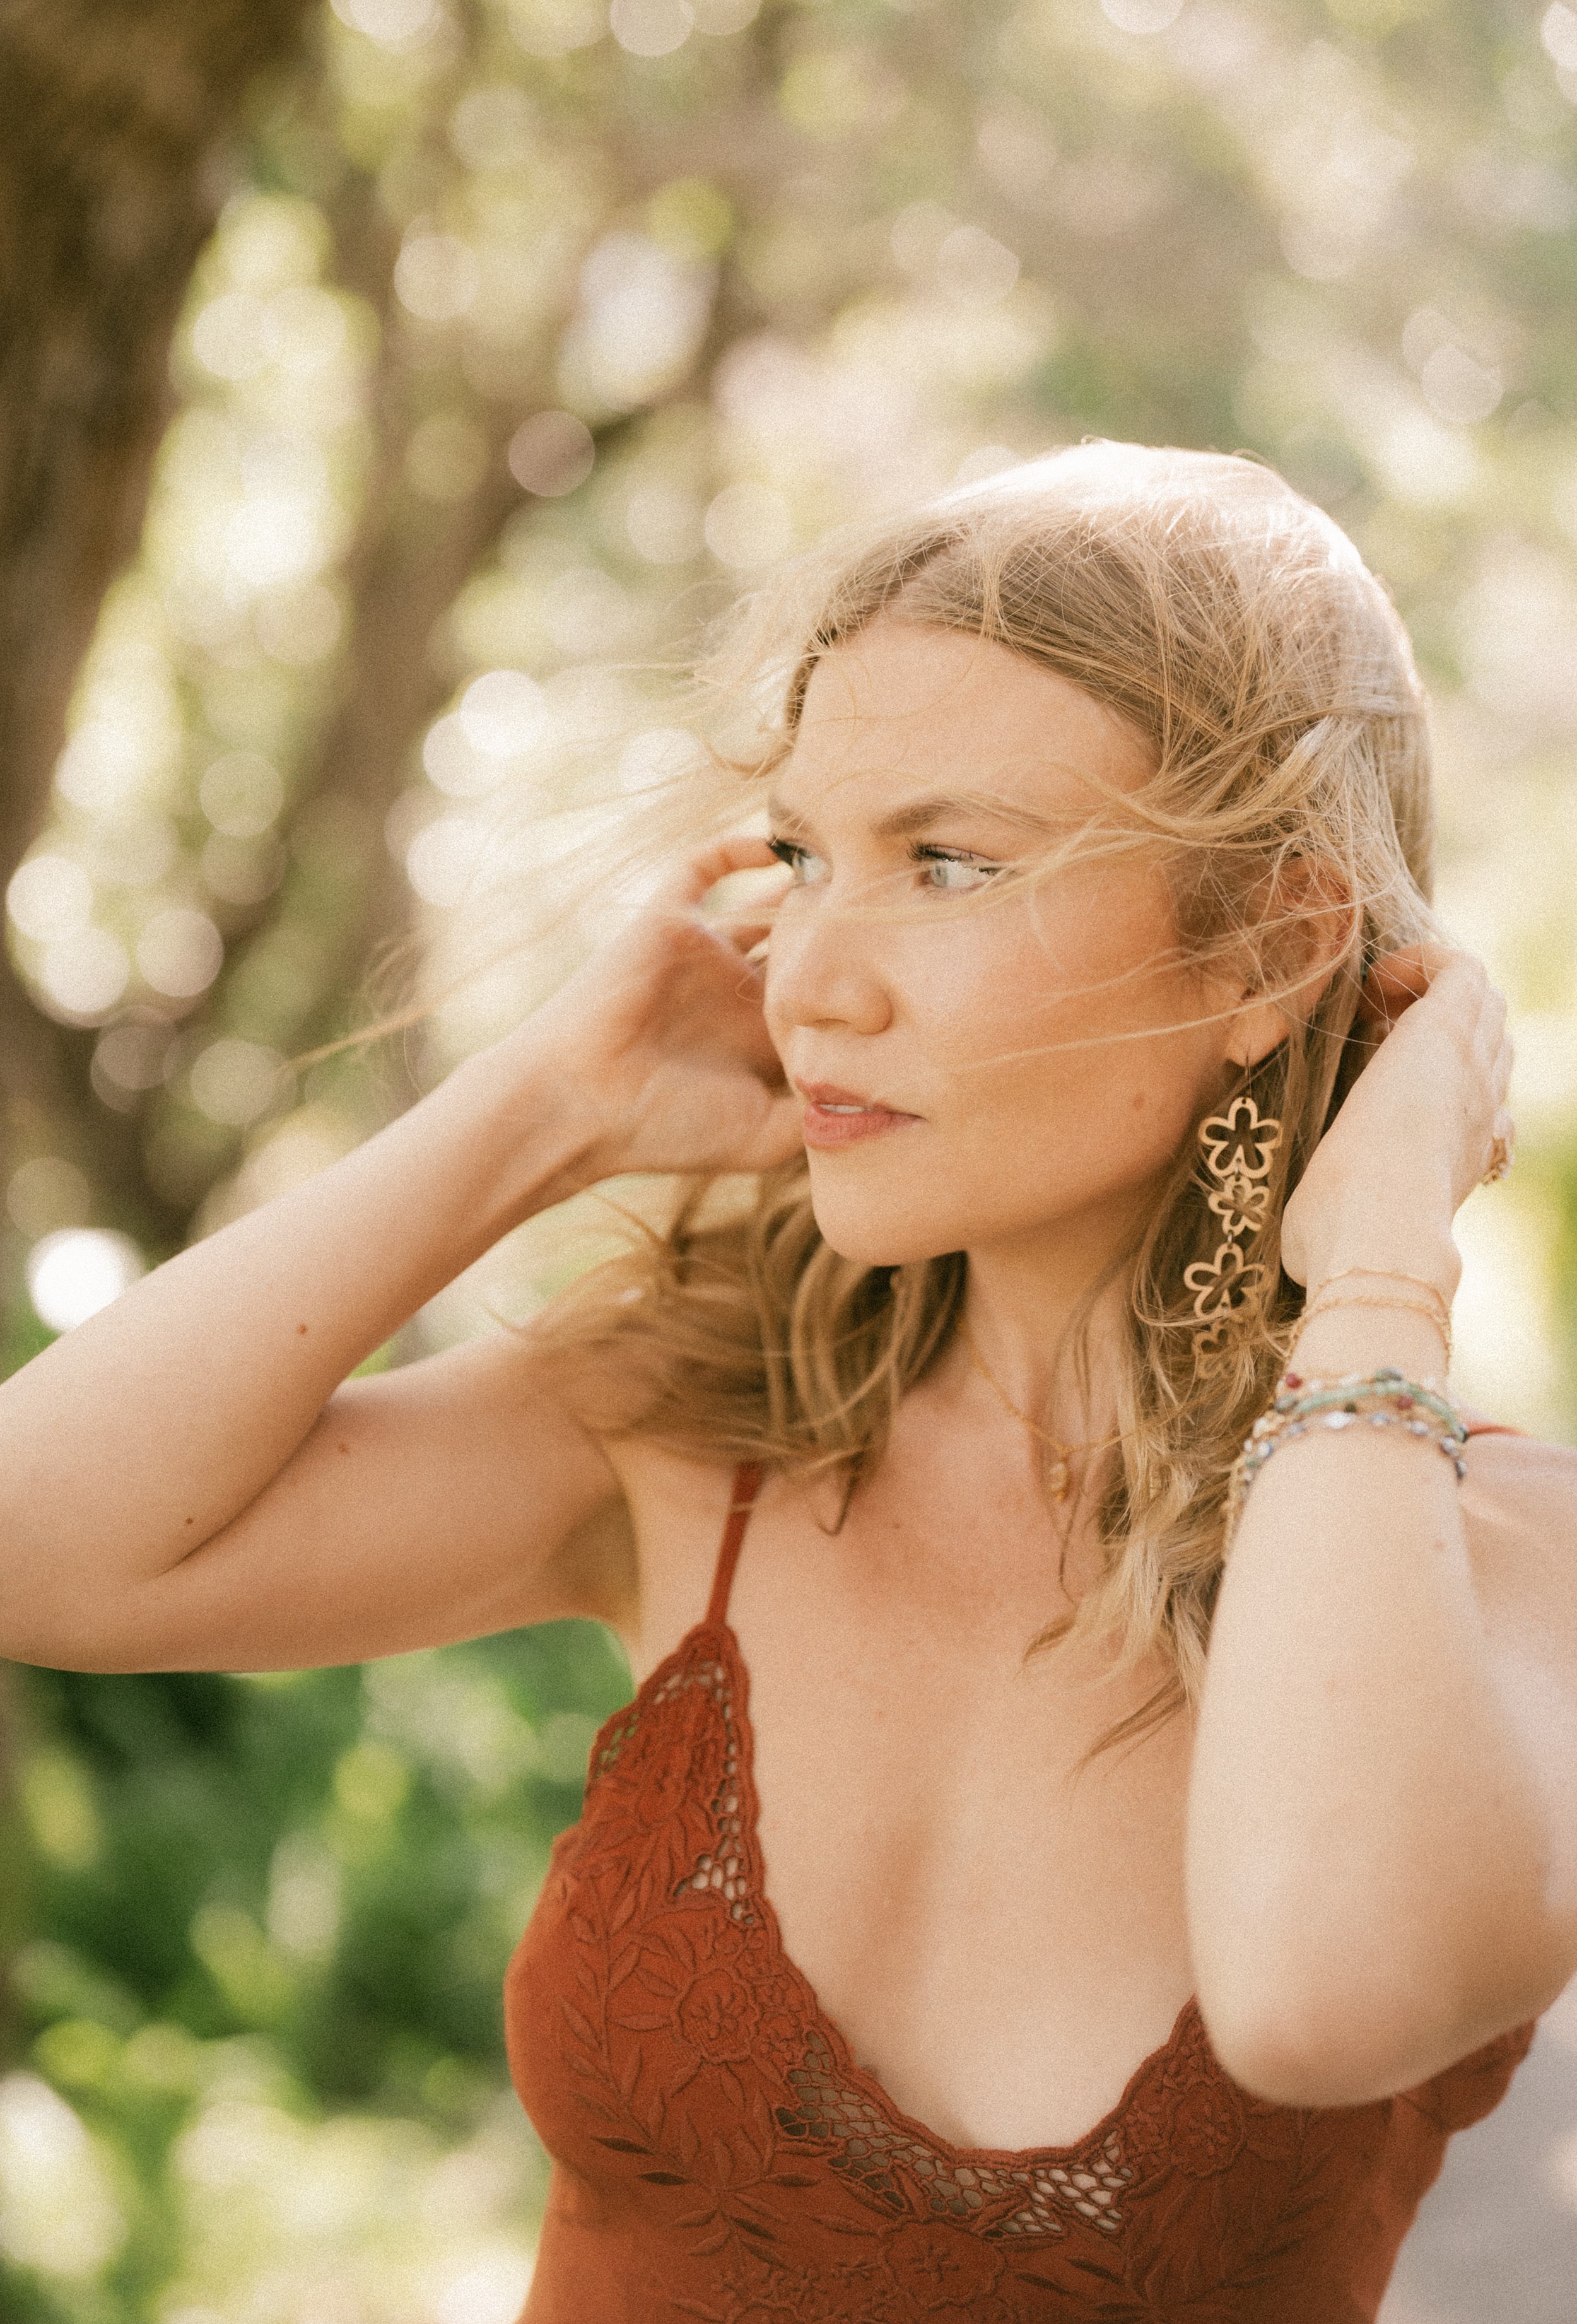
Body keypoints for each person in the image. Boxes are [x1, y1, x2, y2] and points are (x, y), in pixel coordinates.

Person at [5, 442, 1575, 2322]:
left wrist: (1380, 1258)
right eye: (802, 858)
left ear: (1268, 943)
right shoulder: (700, 1429)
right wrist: (549, 1104)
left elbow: (1323, 1991)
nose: (810, 973)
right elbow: (40, 1549)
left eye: (947, 861)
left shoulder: (1508, 1570)